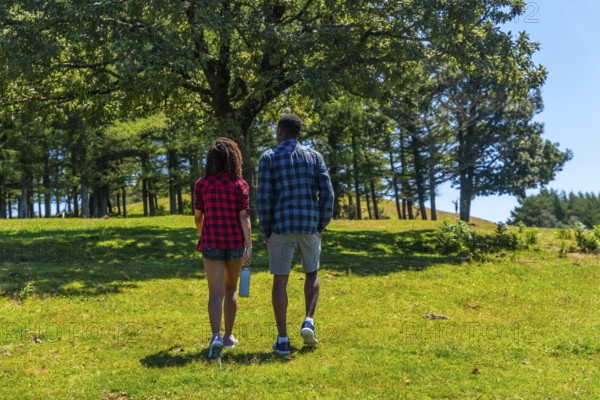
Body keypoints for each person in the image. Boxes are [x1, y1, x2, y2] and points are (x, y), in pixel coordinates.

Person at [258, 114, 334, 355]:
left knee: (280, 280)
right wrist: (320, 225)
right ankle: (308, 321)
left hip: (281, 226)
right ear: (299, 132)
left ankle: (282, 339)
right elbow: (328, 194)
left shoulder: (269, 157)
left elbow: (264, 198)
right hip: (309, 225)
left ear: (280, 131)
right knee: (312, 273)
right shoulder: (315, 156)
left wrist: (266, 230)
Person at [194, 138, 252, 359]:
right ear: (234, 159)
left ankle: (215, 337)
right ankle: (229, 336)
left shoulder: (202, 184)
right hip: (235, 243)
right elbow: (244, 216)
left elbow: (198, 216)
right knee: (231, 290)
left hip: (211, 243)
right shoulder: (240, 185)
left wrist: (203, 232)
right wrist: (249, 246)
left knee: (215, 293)